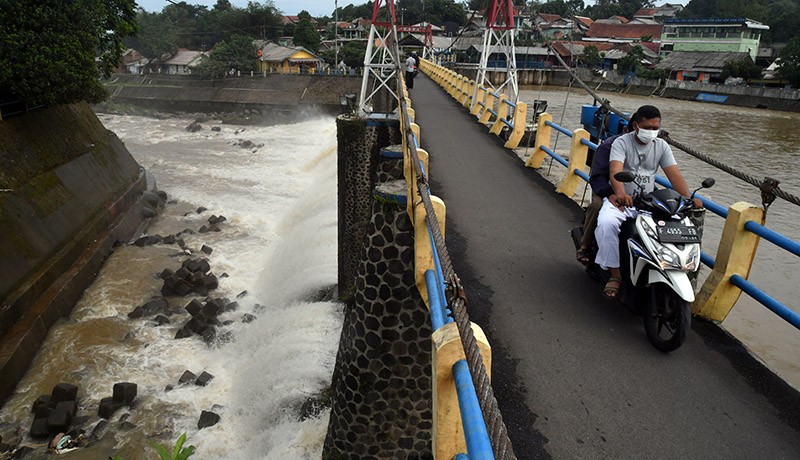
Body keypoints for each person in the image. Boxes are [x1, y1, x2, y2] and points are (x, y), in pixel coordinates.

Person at [594, 105, 700, 300]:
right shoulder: (621, 143)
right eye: (647, 127)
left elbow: (674, 174)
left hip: (650, 202)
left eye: (655, 128)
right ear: (636, 125)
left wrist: (688, 198)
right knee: (606, 224)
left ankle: (665, 268)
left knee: (674, 226)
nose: (652, 131)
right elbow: (615, 170)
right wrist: (620, 194)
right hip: (623, 201)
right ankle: (615, 274)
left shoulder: (662, 146)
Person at [575, 114, 638, 266]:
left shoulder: (648, 148)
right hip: (605, 188)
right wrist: (610, 193)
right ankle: (584, 245)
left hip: (633, 191)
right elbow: (597, 176)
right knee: (597, 206)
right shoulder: (609, 146)